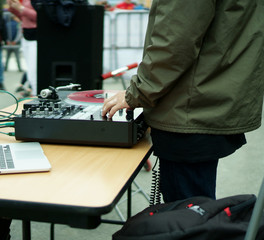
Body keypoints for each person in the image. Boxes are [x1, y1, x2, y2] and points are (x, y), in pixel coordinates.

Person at [102, 0, 264, 203]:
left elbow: (174, 42)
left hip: (189, 108)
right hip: (207, 99)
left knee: (188, 217)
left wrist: (136, 92)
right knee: (197, 212)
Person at [7, 0, 38, 95]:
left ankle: (36, 94)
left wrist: (21, 8)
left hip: (36, 36)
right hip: (26, 36)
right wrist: (13, 8)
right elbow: (23, 18)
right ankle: (33, 91)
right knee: (30, 70)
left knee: (34, 71)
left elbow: (39, 16)